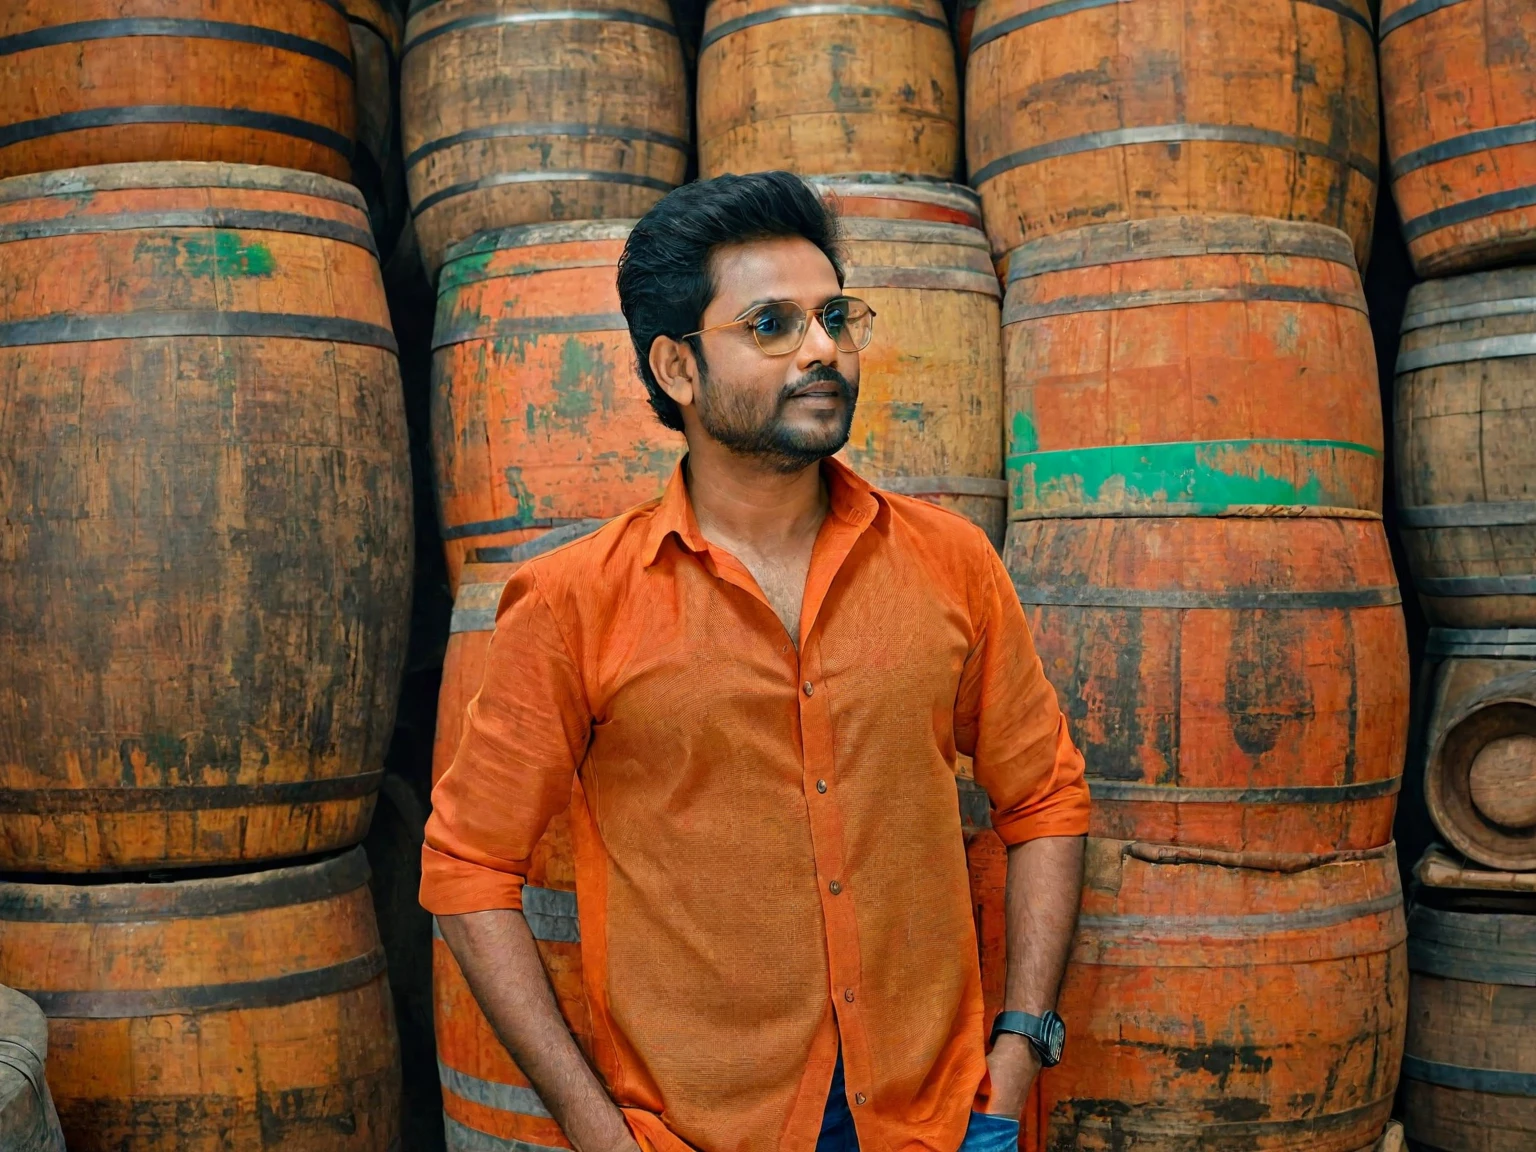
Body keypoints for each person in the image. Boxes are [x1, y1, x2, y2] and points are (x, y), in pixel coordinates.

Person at [420, 171, 1089, 1152]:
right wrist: (594, 1130)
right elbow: (468, 867)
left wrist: (1023, 1043)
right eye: (771, 325)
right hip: (701, 1131)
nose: (822, 348)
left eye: (833, 316)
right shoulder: (577, 601)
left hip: (940, 1122)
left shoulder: (951, 564)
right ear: (678, 370)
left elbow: (1046, 800)